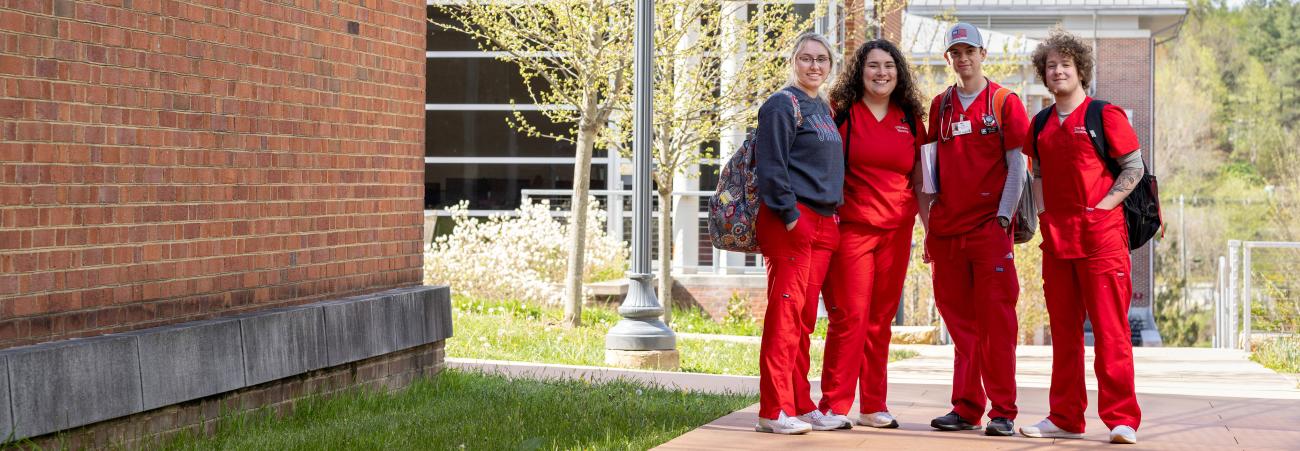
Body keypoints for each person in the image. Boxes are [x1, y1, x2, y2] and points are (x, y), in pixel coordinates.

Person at [1017, 28, 1143, 445]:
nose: (1058, 71)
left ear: (1080, 70)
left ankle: (1122, 419)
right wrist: (1044, 214)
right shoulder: (1040, 123)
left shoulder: (1104, 115)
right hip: (1058, 242)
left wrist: (1103, 208)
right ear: (1043, 73)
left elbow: (1134, 167)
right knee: (1064, 335)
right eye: (1051, 65)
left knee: (1111, 332)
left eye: (1065, 64)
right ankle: (1065, 416)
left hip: (1102, 241)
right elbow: (1036, 173)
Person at [922, 22, 1027, 437]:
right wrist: (929, 225)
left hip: (988, 232)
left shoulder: (1004, 102)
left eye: (970, 51)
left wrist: (1002, 219)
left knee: (996, 324)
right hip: (948, 233)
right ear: (948, 58)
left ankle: (1003, 412)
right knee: (961, 326)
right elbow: (928, 171)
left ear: (983, 54)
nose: (963, 58)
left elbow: (1017, 167)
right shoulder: (940, 106)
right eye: (956, 53)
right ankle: (966, 408)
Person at [816, 39, 926, 430]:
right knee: (850, 316)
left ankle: (873, 405)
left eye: (889, 66)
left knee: (880, 319)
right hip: (852, 229)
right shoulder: (840, 112)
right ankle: (833, 405)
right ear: (859, 72)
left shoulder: (910, 117)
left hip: (897, 230)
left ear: (899, 72)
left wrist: (929, 229)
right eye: (873, 66)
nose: (882, 73)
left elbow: (920, 177)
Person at [752, 32, 848, 435]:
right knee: (785, 318)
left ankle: (800, 405)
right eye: (806, 58)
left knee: (804, 321)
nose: (814, 65)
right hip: (792, 221)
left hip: (824, 223)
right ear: (793, 61)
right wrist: (791, 215)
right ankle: (773, 411)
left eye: (822, 59)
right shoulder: (781, 104)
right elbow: (771, 165)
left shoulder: (822, 107)